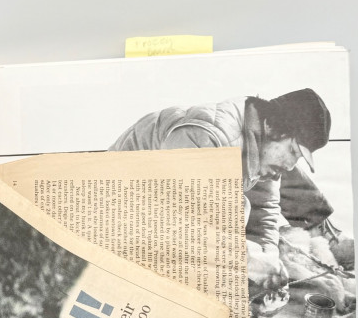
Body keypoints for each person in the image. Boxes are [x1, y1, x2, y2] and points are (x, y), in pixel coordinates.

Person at [110, 87, 337, 287]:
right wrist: (249, 261)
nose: (290, 164)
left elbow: (264, 212)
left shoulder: (264, 144)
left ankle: (318, 225)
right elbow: (180, 227)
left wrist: (269, 260)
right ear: (271, 126)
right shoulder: (205, 137)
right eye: (293, 151)